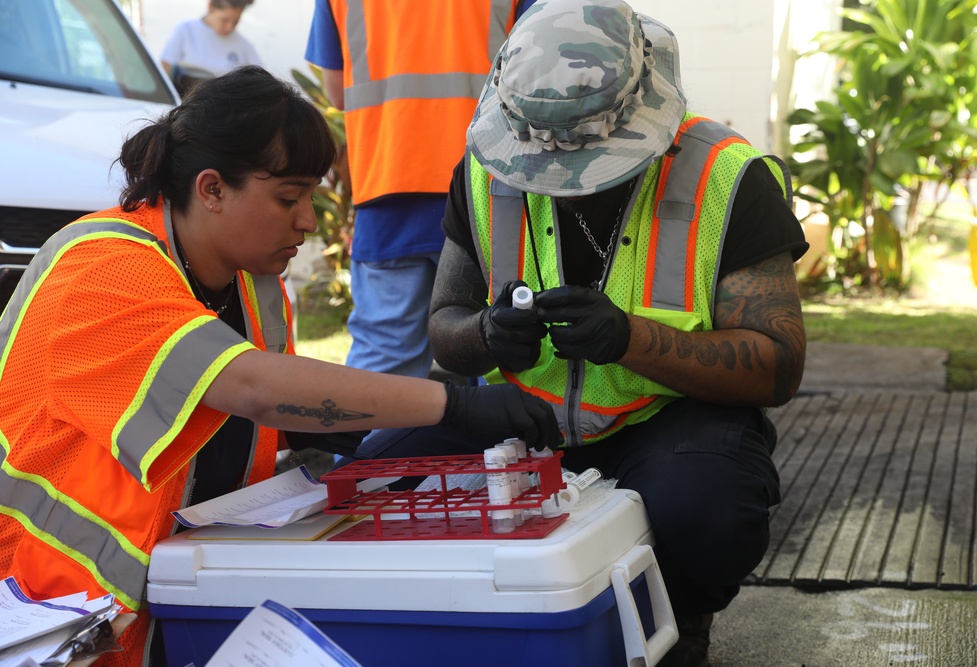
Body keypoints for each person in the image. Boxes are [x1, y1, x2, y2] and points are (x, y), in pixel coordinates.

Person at [0, 66, 561, 667]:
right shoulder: (105, 267)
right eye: (288, 198)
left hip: (183, 598)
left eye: (311, 199)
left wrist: (313, 423)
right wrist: (456, 402)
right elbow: (255, 387)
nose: (306, 222)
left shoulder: (248, 279)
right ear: (211, 189)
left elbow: (266, 402)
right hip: (59, 618)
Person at [335, 1, 809, 666]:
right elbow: (445, 328)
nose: (562, 180)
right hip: (520, 427)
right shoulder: (481, 172)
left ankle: (677, 611)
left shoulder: (729, 176)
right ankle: (470, 626)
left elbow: (779, 365)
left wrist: (631, 341)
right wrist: (488, 334)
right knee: (369, 477)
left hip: (667, 426)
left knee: (708, 510)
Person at [303, 0, 534, 378]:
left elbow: (337, 91)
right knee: (501, 343)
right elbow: (541, 64)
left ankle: (377, 439)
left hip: (388, 184)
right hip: (489, 185)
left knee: (386, 356)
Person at [160, 0, 261, 81]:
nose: (230, 27)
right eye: (225, 20)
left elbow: (261, 79)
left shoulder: (244, 45)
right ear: (211, 7)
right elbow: (166, 69)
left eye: (236, 21)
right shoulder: (186, 30)